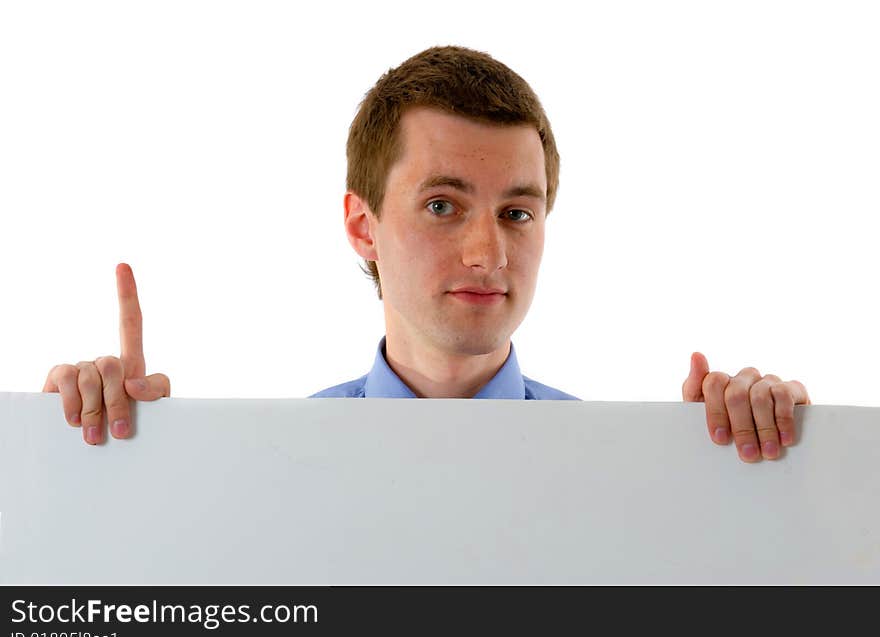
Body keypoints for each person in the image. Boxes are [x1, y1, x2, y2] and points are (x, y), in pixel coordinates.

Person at [41, 45, 811, 463]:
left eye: (517, 211)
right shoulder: (268, 465)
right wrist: (95, 469)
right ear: (362, 225)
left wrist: (747, 486)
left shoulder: (631, 467)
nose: (488, 252)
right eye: (442, 206)